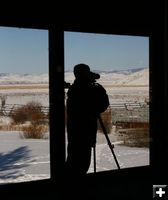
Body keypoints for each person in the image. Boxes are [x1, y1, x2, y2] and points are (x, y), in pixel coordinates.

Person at [65, 63, 109, 176]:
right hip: (86, 131)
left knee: (73, 159)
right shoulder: (88, 89)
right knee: (82, 162)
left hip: (74, 131)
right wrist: (97, 89)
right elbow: (103, 104)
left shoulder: (74, 89)